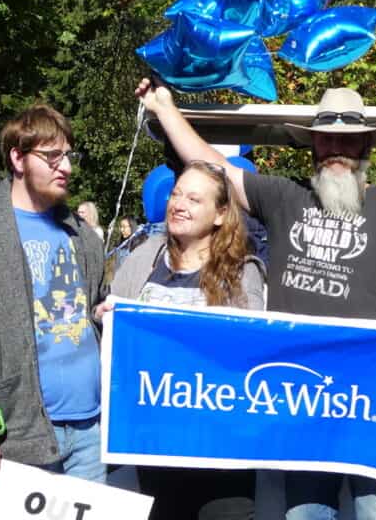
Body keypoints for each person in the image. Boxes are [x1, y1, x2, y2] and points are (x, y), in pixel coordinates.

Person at [135, 78, 376, 520]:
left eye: (347, 141)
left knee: (375, 513)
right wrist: (165, 108)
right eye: (326, 139)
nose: (335, 150)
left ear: (366, 147)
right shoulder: (284, 197)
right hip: (300, 402)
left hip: (371, 404)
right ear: (312, 146)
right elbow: (212, 166)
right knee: (304, 514)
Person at [0, 104, 106, 488]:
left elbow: (94, 317)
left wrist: (108, 315)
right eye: (52, 156)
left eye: (69, 156)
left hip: (92, 435)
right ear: (17, 157)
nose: (66, 167)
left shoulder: (83, 238)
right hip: (17, 439)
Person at [103, 161, 265, 520]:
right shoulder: (144, 258)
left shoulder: (243, 271)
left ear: (221, 214)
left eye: (194, 198)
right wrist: (108, 320)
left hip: (221, 455)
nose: (178, 204)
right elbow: (114, 339)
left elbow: (250, 352)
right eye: (176, 193)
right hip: (152, 445)